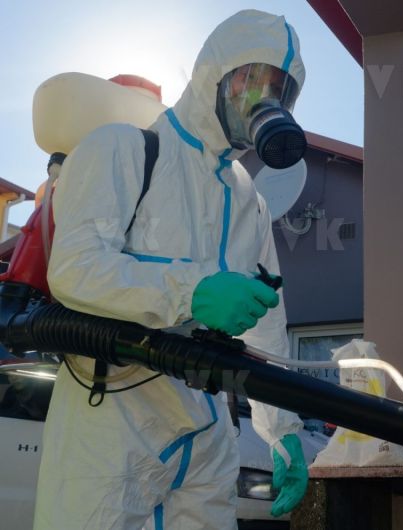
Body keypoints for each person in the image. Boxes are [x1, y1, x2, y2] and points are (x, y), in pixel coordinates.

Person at [34, 10, 309, 529]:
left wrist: (282, 428)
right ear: (214, 74)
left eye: (280, 90)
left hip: (207, 431)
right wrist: (192, 291)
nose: (262, 101)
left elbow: (267, 321)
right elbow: (74, 268)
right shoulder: (124, 149)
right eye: (252, 80)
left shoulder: (251, 203)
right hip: (112, 423)